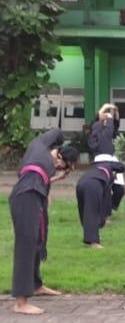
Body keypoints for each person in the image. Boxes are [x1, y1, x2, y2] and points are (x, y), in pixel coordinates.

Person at [9, 129, 79, 315]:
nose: (59, 168)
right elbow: (37, 177)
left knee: (37, 241)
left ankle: (35, 285)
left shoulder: (36, 148)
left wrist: (54, 178)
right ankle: (21, 301)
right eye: (63, 166)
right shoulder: (47, 160)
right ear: (59, 157)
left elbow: (36, 176)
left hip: (31, 194)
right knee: (26, 243)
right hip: (27, 196)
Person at [76, 149, 125, 248]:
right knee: (93, 211)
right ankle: (94, 242)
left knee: (85, 210)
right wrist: (104, 219)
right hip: (94, 184)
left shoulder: (96, 168)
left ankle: (91, 235)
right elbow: (106, 204)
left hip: (81, 183)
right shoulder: (107, 172)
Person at [87, 104, 124, 222]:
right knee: (105, 188)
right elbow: (97, 119)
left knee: (119, 189)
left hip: (113, 160)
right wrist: (104, 108)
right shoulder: (95, 133)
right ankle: (104, 212)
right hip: (100, 162)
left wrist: (116, 111)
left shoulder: (110, 131)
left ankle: (111, 207)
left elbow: (116, 122)